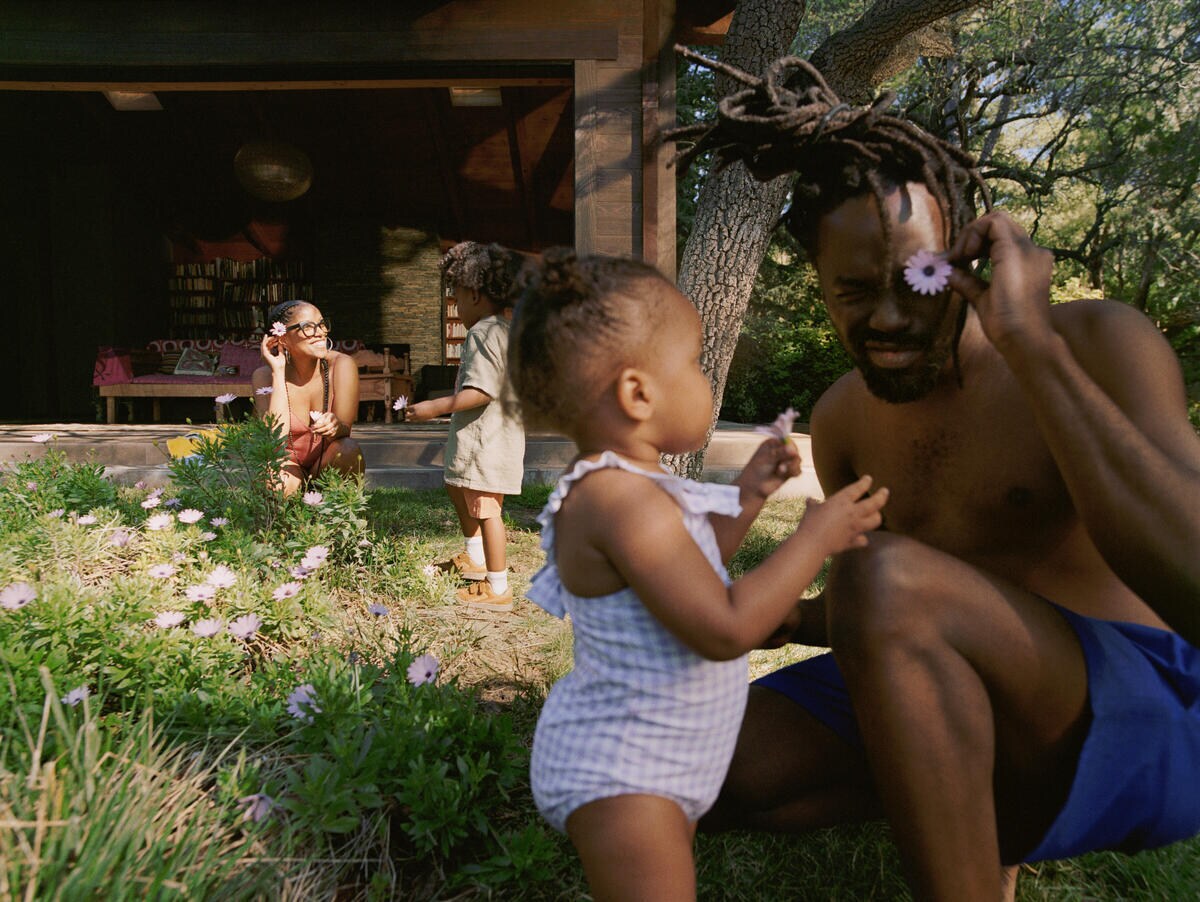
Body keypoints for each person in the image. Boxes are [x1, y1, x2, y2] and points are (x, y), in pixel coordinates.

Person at [670, 54, 1200, 900]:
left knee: (885, 579)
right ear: (816, 279)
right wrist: (764, 617)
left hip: (1143, 712)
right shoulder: (842, 417)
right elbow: (886, 623)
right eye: (853, 290)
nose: (886, 317)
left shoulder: (1099, 344)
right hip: (967, 688)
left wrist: (1032, 347)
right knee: (686, 766)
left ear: (968, 249)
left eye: (918, 279)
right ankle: (963, 818)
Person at [509, 248, 889, 901]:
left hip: (664, 754)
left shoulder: (635, 489)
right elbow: (722, 625)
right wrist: (813, 539)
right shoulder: (617, 499)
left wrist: (747, 496)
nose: (706, 379)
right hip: (623, 769)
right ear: (637, 393)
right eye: (693, 362)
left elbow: (689, 569)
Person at [405, 242, 527, 612]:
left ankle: (498, 586)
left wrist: (434, 407)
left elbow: (482, 390)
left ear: (475, 293)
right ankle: (474, 558)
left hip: (486, 441)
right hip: (484, 436)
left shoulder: (483, 333)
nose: (456, 306)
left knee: (486, 508)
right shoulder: (503, 329)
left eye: (456, 296)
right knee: (455, 485)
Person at [252, 299, 363, 496]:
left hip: (326, 463)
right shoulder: (263, 376)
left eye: (321, 324)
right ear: (283, 339)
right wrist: (278, 372)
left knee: (348, 449)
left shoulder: (342, 365)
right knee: (273, 478)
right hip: (287, 467)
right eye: (308, 327)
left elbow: (345, 429)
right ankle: (288, 513)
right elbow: (273, 442)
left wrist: (336, 426)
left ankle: (337, 512)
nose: (320, 332)